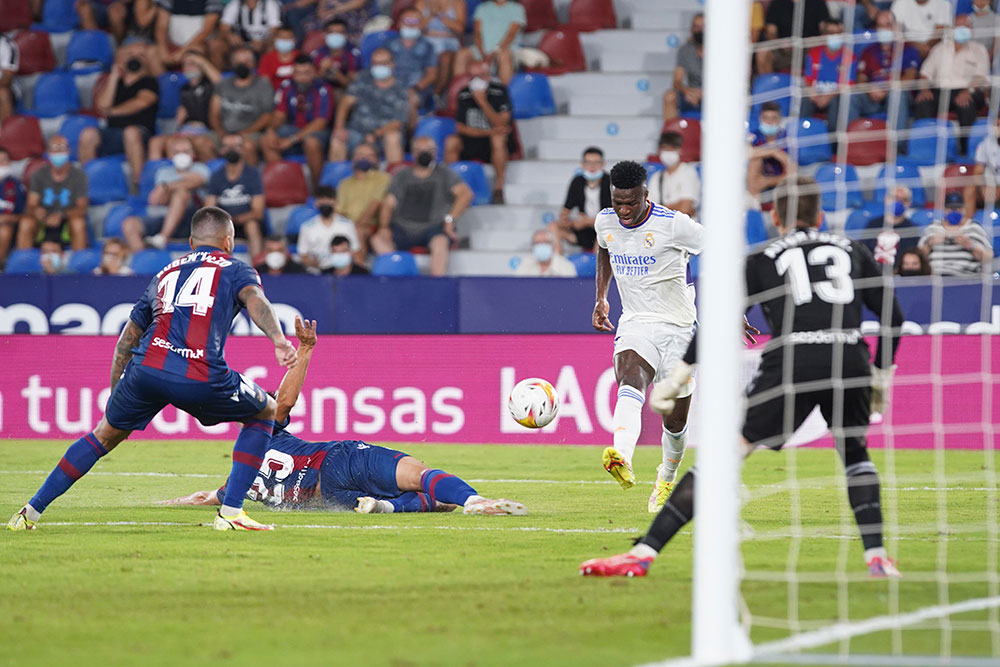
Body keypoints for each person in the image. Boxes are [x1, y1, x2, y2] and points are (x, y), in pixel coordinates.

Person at [581, 175, 905, 578]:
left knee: (724, 458)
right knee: (855, 455)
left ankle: (644, 552)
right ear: (820, 215)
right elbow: (894, 316)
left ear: (773, 216)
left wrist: (678, 375)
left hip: (792, 361)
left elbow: (716, 318)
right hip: (849, 360)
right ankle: (876, 556)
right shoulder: (853, 249)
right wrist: (880, 375)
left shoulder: (764, 257)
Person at [7, 206, 298, 532]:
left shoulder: (165, 273)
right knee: (265, 410)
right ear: (228, 241)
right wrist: (278, 338)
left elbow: (126, 341)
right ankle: (231, 513)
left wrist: (118, 394)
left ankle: (28, 513)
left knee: (103, 434)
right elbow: (255, 299)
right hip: (200, 373)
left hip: (145, 370)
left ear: (191, 242)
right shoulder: (235, 268)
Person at [162, 318, 524, 514]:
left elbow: (206, 497)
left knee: (438, 502)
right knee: (422, 474)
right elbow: (285, 403)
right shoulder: (270, 427)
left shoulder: (237, 478)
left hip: (328, 498)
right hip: (339, 462)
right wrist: (304, 350)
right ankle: (477, 501)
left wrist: (168, 504)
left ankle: (386, 507)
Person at [593, 160, 707, 513]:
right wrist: (601, 297)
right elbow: (604, 248)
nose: (624, 211)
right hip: (636, 322)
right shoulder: (605, 220)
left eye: (631, 202)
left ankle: (667, 476)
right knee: (630, 374)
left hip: (679, 327)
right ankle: (621, 454)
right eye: (618, 202)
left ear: (646, 194)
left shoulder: (675, 225)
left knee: (674, 421)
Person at [370, 135, 473, 276]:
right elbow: (389, 203)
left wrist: (450, 220)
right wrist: (384, 227)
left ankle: (435, 284)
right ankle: (401, 273)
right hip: (402, 228)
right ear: (413, 153)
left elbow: (465, 194)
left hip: (433, 228)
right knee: (377, 239)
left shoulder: (444, 174)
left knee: (440, 242)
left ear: (435, 153)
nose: (424, 154)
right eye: (419, 150)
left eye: (429, 150)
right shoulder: (402, 175)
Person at [78, 41, 160, 190]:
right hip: (113, 134)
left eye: (140, 55)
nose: (135, 58)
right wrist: (115, 76)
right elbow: (102, 105)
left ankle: (139, 185)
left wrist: (111, 112)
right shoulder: (115, 83)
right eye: (130, 54)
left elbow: (141, 102)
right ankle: (87, 185)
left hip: (141, 135)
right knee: (87, 134)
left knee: (130, 132)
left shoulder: (149, 81)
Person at [913, 15, 990, 154]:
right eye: (959, 27)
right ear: (952, 29)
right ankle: (926, 149)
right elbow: (925, 73)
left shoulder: (979, 50)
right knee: (923, 102)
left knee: (965, 104)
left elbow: (981, 77)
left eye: (966, 27)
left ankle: (965, 150)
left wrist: (968, 90)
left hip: (969, 91)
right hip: (941, 91)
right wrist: (924, 89)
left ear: (971, 30)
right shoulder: (940, 49)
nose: (962, 30)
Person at [122, 135, 212, 251]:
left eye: (185, 151)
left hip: (192, 220)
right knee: (130, 224)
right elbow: (156, 200)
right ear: (170, 155)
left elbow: (197, 181)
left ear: (193, 154)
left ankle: (163, 238)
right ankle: (143, 259)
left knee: (181, 194)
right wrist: (172, 187)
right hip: (164, 216)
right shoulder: (163, 172)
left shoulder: (200, 168)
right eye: (177, 152)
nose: (181, 155)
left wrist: (167, 186)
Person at [445, 58, 514, 205]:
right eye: (473, 77)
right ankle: (449, 186)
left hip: (493, 145)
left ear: (488, 75)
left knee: (498, 139)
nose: (477, 81)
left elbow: (502, 122)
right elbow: (460, 127)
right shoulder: (463, 94)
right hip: (472, 141)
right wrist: (489, 132)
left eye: (481, 76)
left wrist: (483, 102)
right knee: (451, 141)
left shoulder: (500, 91)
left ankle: (499, 187)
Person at [261, 55, 335, 189]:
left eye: (306, 73)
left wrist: (292, 139)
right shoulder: (287, 86)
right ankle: (287, 186)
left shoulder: (323, 89)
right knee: (267, 140)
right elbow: (279, 114)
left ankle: (316, 188)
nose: (302, 77)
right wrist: (271, 130)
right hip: (293, 128)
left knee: (311, 143)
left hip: (317, 132)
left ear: (314, 72)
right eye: (298, 73)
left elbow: (320, 122)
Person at [329, 47, 409, 164]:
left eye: (383, 63)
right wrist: (339, 127)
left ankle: (396, 177)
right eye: (375, 63)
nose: (379, 67)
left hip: (383, 135)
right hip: (357, 132)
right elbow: (345, 103)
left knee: (393, 138)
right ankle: (337, 180)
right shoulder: (363, 79)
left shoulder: (400, 87)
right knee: (337, 140)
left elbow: (398, 122)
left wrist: (375, 134)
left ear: (392, 65)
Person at [849, 10, 919, 138]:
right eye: (880, 26)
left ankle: (897, 146)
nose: (884, 29)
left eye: (887, 25)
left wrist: (886, 88)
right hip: (872, 95)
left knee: (897, 93)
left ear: (894, 26)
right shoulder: (868, 51)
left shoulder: (907, 48)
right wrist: (868, 89)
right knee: (851, 95)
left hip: (896, 94)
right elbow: (861, 78)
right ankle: (850, 143)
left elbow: (909, 77)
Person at [15, 136, 89, 253]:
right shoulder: (39, 174)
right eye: (55, 149)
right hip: (43, 223)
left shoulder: (78, 175)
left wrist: (61, 215)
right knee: (26, 223)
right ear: (48, 153)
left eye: (62, 148)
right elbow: (31, 205)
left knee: (78, 223)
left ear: (69, 151)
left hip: (66, 222)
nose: (58, 152)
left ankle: (78, 265)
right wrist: (37, 212)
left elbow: (82, 208)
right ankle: (24, 265)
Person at [149, 50, 221, 163]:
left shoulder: (210, 85)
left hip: (206, 129)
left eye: (193, 63)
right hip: (186, 129)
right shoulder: (184, 88)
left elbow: (221, 83)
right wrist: (179, 121)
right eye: (186, 64)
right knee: (156, 142)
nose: (188, 67)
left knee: (179, 143)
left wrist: (201, 60)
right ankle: (162, 175)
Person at [209, 45, 275, 165]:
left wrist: (241, 135)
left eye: (247, 62)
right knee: (201, 143)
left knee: (248, 146)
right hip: (223, 132)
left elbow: (267, 116)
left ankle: (250, 180)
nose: (242, 65)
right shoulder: (223, 84)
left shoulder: (263, 84)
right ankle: (218, 178)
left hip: (251, 132)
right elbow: (214, 113)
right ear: (232, 63)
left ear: (254, 64)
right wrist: (222, 134)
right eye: (238, 62)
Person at [204, 133, 266, 258]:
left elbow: (258, 212)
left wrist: (234, 220)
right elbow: (208, 210)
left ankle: (257, 266)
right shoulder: (216, 176)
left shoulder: (253, 174)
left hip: (246, 222)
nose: (232, 150)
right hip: (223, 224)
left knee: (252, 225)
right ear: (221, 150)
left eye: (236, 146)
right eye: (227, 146)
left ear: (243, 149)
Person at [549, 147, 611, 254]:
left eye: (596, 163)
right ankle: (557, 264)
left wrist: (588, 221)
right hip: (583, 230)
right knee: (553, 227)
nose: (592, 166)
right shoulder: (577, 182)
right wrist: (572, 222)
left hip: (604, 229)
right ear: (582, 164)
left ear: (602, 164)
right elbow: (565, 211)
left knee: (605, 230)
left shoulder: (610, 182)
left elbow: (613, 216)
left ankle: (596, 266)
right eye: (588, 162)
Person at [801, 18, 855, 135]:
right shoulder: (814, 53)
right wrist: (813, 94)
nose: (835, 36)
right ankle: (803, 134)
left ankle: (833, 143)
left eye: (838, 33)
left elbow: (848, 85)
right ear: (824, 35)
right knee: (805, 99)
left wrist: (827, 97)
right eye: (831, 33)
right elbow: (808, 80)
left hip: (835, 97)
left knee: (837, 102)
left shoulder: (849, 56)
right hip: (816, 95)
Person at [918, 192, 993, 275]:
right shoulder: (932, 228)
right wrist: (930, 243)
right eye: (950, 209)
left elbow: (989, 257)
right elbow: (918, 257)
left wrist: (971, 246)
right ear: (944, 209)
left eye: (958, 208)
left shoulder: (974, 228)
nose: (954, 211)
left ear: (964, 209)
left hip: (965, 277)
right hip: (936, 276)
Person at [455, 0, 526, 84]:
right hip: (482, 49)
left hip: (506, 48)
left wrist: (493, 53)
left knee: (504, 55)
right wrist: (482, 53)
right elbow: (477, 34)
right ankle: (460, 92)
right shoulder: (482, 8)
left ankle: (504, 94)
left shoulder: (517, 8)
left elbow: (511, 35)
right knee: (462, 54)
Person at [336, 142, 391, 248]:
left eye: (369, 156)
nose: (363, 158)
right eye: (360, 155)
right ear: (353, 158)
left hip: (369, 226)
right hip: (348, 225)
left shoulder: (383, 178)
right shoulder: (345, 183)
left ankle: (359, 264)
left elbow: (374, 206)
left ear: (376, 160)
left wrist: (351, 229)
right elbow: (339, 211)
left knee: (357, 232)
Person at [388, 6, 438, 120]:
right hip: (392, 87)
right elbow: (383, 66)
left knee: (410, 100)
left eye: (415, 21)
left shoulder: (428, 46)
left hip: (417, 90)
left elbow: (432, 74)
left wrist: (413, 89)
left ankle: (408, 134)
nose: (411, 25)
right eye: (407, 21)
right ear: (399, 23)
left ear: (421, 25)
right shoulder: (389, 44)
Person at [757, 0, 831, 74]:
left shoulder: (818, 2)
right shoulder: (777, 2)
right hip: (782, 49)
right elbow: (771, 30)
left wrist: (811, 41)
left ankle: (812, 82)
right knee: (762, 52)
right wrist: (779, 43)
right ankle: (770, 83)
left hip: (808, 48)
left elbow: (825, 28)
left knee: (817, 47)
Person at [297, 185, 360, 270]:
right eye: (322, 200)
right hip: (317, 271)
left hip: (342, 270)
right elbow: (303, 254)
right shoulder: (307, 227)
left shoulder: (347, 225)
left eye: (329, 200)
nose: (325, 203)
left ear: (335, 202)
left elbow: (355, 251)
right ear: (316, 203)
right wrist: (313, 263)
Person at [748, 101, 795, 210]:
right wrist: (774, 152)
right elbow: (747, 153)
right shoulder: (754, 136)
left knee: (789, 163)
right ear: (760, 119)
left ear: (780, 120)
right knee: (755, 159)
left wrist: (767, 181)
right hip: (759, 182)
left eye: (773, 118)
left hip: (781, 180)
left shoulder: (786, 137)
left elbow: (793, 168)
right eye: (766, 118)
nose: (769, 122)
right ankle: (757, 208)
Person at [416, 0, 466, 96]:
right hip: (427, 41)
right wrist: (431, 14)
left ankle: (437, 94)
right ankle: (420, 92)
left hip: (449, 41)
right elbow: (415, 25)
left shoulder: (458, 3)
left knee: (445, 58)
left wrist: (441, 16)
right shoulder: (421, 2)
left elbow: (460, 28)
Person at [154, 0, 222, 69]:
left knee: (195, 54)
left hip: (198, 45)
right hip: (172, 44)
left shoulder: (212, 1)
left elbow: (206, 31)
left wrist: (183, 51)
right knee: (152, 54)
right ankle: (165, 79)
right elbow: (161, 27)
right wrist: (163, 50)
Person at [862, 185, 920, 262]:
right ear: (886, 199)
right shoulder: (873, 225)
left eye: (904, 200)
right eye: (895, 198)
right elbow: (864, 252)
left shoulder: (911, 229)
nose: (899, 202)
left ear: (909, 203)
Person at [647, 131, 699, 217]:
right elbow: (649, 210)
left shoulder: (688, 172)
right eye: (665, 149)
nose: (668, 152)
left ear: (680, 150)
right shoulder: (656, 177)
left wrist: (661, 208)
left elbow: (685, 209)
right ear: (659, 151)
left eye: (672, 149)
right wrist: (677, 205)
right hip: (662, 227)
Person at [662, 13, 703, 123]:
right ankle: (671, 137)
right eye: (696, 27)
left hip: (717, 95)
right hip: (691, 95)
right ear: (691, 29)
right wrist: (686, 91)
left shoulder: (722, 49)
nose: (700, 30)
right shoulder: (685, 50)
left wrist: (704, 93)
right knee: (669, 96)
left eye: (703, 27)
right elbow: (677, 81)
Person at [217, 0, 282, 63]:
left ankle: (266, 71)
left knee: (273, 46)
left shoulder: (269, 3)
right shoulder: (234, 4)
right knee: (216, 45)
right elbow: (224, 27)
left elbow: (274, 30)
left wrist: (264, 42)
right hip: (240, 44)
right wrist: (231, 36)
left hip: (264, 43)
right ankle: (220, 73)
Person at [311, 18, 360, 90]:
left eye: (339, 32)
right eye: (332, 32)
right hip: (322, 90)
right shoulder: (317, 54)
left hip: (345, 91)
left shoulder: (354, 53)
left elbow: (352, 85)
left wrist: (333, 70)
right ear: (325, 34)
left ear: (346, 35)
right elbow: (310, 82)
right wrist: (323, 70)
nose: (335, 36)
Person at [0, 147, 26, 268]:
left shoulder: (16, 186)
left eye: (4, 160)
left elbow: (24, 215)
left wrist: (9, 219)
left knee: (5, 230)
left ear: (9, 163)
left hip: (9, 230)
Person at [258, 24, 300, 90]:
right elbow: (264, 82)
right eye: (282, 38)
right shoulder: (267, 58)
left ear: (294, 40)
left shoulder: (300, 56)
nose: (285, 40)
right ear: (274, 39)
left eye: (288, 38)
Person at [0, 32, 19, 123]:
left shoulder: (6, 44)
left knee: (2, 93)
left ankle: (5, 135)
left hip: (4, 87)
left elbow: (7, 77)